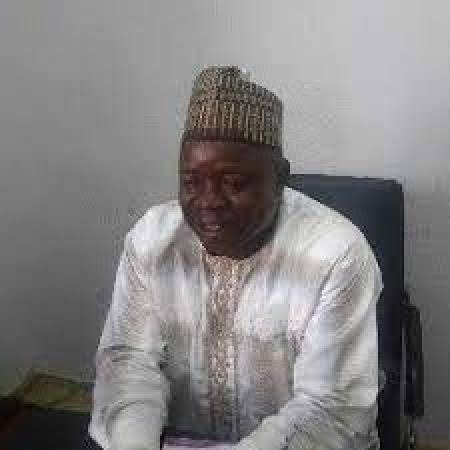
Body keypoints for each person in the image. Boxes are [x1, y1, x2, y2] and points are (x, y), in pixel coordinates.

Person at [89, 66, 383, 450]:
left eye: (234, 183)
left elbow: (330, 410)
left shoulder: (335, 255)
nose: (209, 202)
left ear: (280, 178)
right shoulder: (152, 241)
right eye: (191, 182)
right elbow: (129, 362)